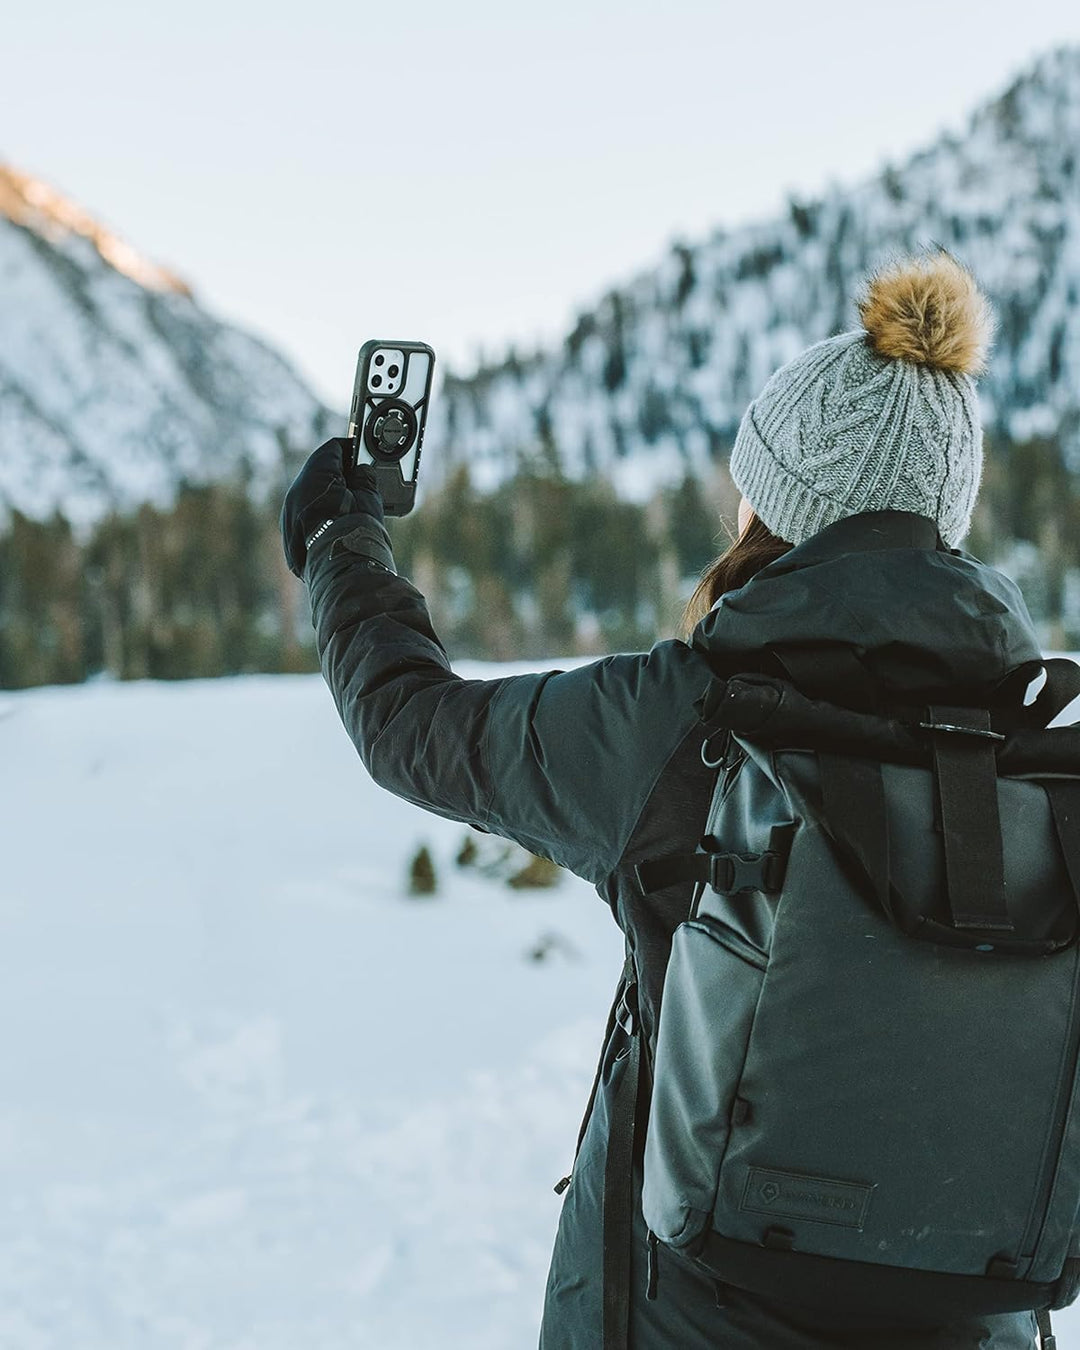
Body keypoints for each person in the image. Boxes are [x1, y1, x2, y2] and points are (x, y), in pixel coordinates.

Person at [281, 248, 1042, 1349]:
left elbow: (411, 728)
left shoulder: (676, 723)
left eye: (752, 484)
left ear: (782, 510)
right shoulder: (1034, 753)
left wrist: (340, 544)